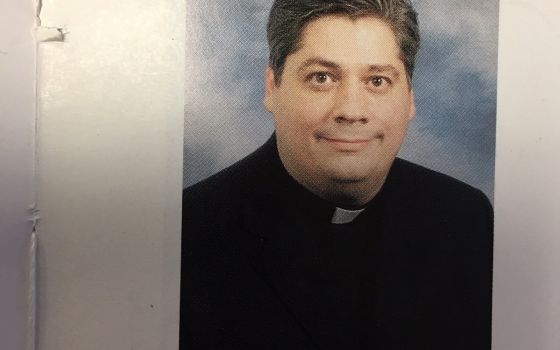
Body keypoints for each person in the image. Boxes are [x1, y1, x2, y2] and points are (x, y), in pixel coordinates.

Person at [180, 0, 493, 349]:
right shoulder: (187, 232)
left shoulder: (466, 219)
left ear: (410, 97)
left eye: (378, 80)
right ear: (272, 87)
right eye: (322, 78)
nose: (352, 110)